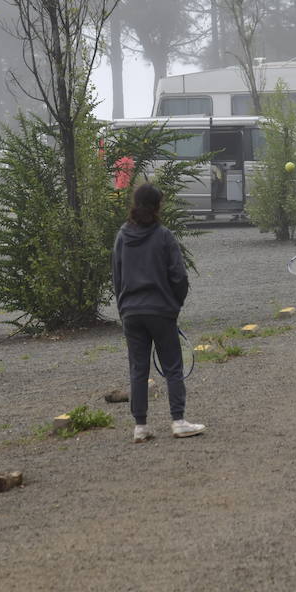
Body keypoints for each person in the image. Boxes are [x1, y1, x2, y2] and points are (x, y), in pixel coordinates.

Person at [112, 184, 205, 443]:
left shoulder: (122, 235)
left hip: (131, 311)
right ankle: (178, 421)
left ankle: (140, 427)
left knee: (138, 369)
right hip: (161, 310)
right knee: (173, 366)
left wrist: (123, 307)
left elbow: (116, 276)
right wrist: (175, 304)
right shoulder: (164, 236)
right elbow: (179, 276)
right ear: (157, 206)